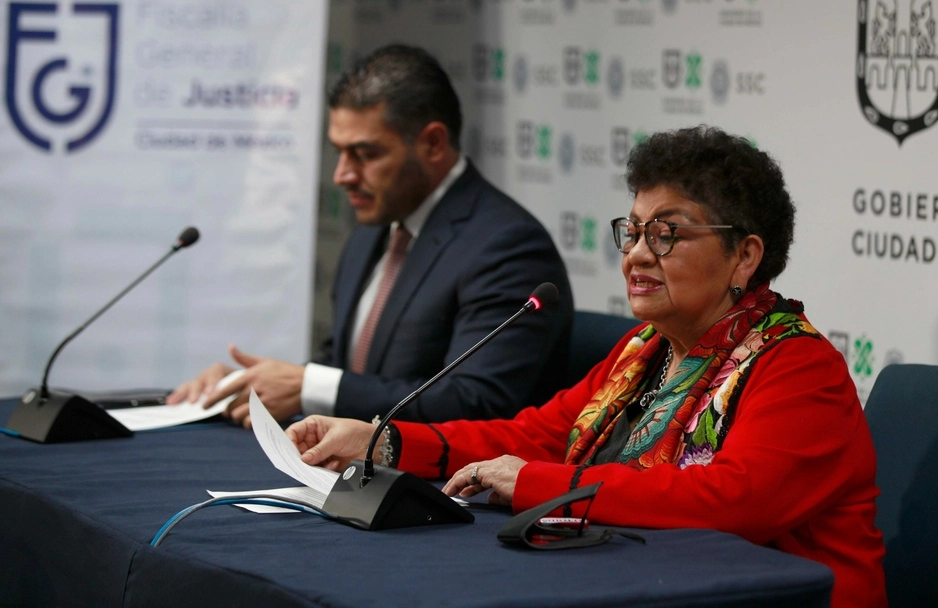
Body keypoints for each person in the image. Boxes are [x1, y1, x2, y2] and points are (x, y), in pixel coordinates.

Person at [286, 126, 886, 608]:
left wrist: (535, 484)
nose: (637, 255)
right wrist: (385, 442)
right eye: (632, 232)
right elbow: (533, 437)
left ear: (744, 256)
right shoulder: (644, 351)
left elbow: (732, 503)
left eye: (667, 235)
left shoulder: (800, 367)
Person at [168, 44, 573, 426]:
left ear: (432, 143)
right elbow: (346, 366)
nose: (341, 175)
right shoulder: (378, 226)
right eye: (339, 151)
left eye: (365, 154)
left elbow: (474, 402)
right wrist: (249, 386)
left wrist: (308, 386)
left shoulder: (507, 245)